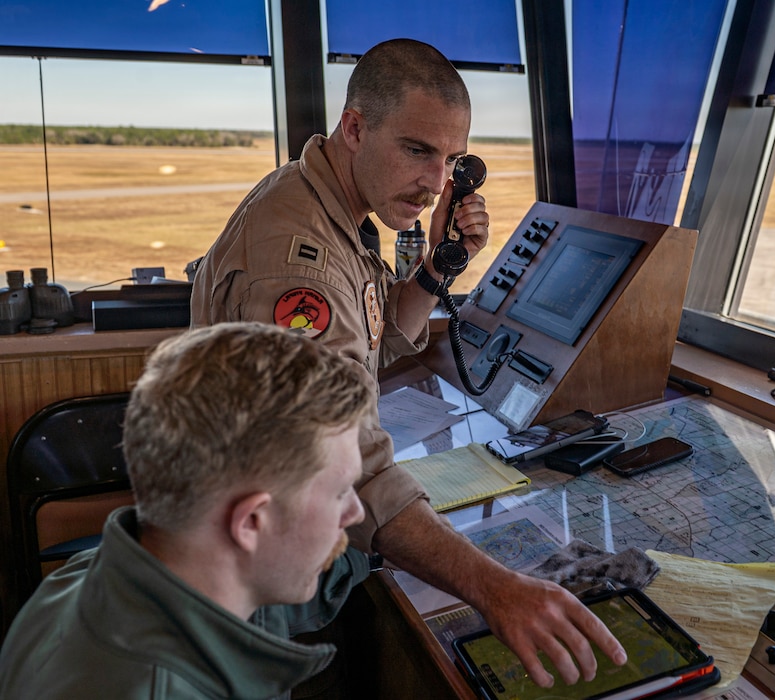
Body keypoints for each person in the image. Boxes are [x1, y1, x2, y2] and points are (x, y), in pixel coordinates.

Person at [190, 38, 627, 687]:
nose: (435, 183)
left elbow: (374, 337)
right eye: (418, 150)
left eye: (451, 159)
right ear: (356, 126)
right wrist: (497, 589)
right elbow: (348, 472)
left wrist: (440, 265)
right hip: (255, 570)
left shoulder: (328, 202)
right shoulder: (295, 263)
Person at [0, 322, 374, 699]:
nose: (356, 512)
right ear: (251, 522)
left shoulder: (82, 578)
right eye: (341, 492)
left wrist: (390, 542)